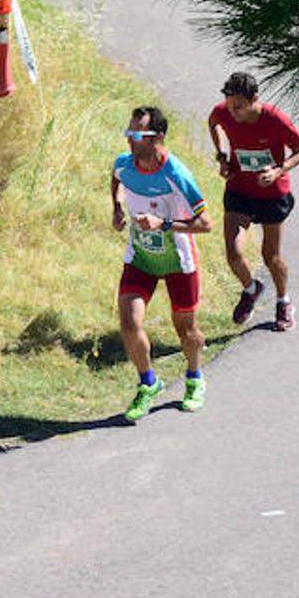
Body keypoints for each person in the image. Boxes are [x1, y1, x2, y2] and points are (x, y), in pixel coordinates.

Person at [111, 105, 215, 422]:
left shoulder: (176, 175)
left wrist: (164, 223)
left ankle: (195, 378)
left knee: (186, 331)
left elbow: (206, 224)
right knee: (130, 323)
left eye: (137, 134)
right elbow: (114, 178)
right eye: (128, 133)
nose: (129, 140)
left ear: (157, 137)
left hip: (178, 261)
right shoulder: (124, 165)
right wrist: (116, 208)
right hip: (141, 258)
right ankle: (148, 383)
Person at [207, 71, 299, 330]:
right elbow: (214, 121)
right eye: (230, 106)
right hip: (240, 190)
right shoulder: (224, 112)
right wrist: (222, 156)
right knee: (233, 252)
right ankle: (251, 289)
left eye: (239, 107)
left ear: (254, 99)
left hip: (272, 195)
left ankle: (284, 301)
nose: (233, 113)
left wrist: (278, 170)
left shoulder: (274, 119)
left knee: (270, 257)